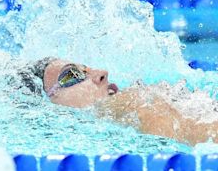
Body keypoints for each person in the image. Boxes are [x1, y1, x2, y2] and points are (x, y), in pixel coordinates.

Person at [18, 57, 218, 146]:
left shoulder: (136, 104)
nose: (102, 73)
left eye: (87, 69)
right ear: (45, 105)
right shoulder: (139, 105)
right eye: (72, 75)